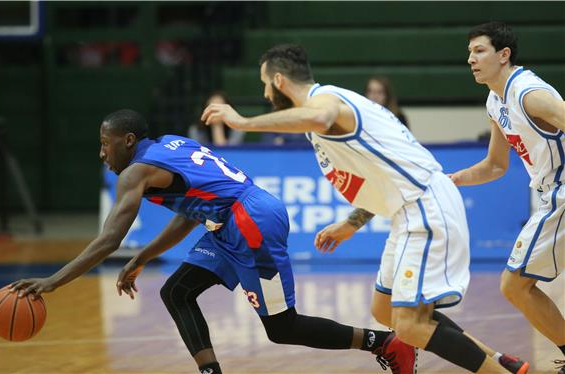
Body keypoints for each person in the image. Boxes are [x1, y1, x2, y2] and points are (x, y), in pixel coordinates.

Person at [11, 109, 420, 374]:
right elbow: (189, 213)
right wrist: (144, 258)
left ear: (129, 141)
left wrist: (53, 282)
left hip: (250, 221)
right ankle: (211, 372)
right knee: (177, 291)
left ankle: (385, 343)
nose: (102, 153)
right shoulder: (170, 144)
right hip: (226, 222)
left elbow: (108, 240)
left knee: (282, 327)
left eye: (105, 144)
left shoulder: (135, 173)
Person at [202, 44, 529, 373]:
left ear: (279, 81)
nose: (264, 92)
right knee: (385, 310)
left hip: (425, 206)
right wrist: (351, 224)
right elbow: (380, 180)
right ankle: (502, 361)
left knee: (410, 326)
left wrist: (242, 122)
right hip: (407, 209)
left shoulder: (325, 102)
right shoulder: (329, 117)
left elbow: (318, 116)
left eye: (264, 84)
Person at [449, 21, 565, 372]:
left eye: (479, 51)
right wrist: (450, 180)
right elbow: (496, 166)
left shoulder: (529, 93)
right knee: (516, 287)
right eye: (469, 52)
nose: (471, 59)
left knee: (515, 285)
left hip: (562, 192)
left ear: (504, 55)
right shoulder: (494, 101)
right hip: (549, 193)